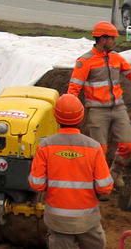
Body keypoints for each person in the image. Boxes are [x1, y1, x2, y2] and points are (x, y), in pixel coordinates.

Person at [66, 20, 131, 184]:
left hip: (118, 108)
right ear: (103, 39)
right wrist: (70, 110)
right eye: (112, 38)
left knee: (128, 145)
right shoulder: (85, 62)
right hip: (97, 111)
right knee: (100, 150)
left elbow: (130, 71)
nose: (115, 41)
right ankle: (99, 181)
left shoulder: (116, 58)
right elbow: (74, 88)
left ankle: (115, 174)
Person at [29, 93, 113, 249]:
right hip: (88, 221)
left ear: (56, 117)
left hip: (57, 221)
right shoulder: (94, 147)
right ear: (81, 117)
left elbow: (36, 184)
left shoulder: (46, 146)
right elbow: (105, 187)